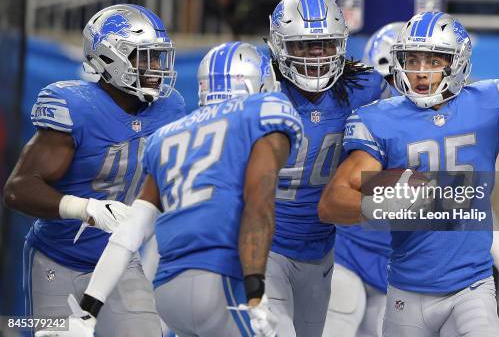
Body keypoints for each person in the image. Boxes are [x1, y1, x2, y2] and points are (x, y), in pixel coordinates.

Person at [319, 7, 499, 336]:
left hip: (470, 286)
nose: (421, 72)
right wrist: (380, 205)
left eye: (433, 60)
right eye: (412, 60)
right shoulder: (378, 119)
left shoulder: (486, 101)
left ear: (456, 62)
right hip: (406, 289)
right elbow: (332, 202)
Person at [35, 41, 304, 337]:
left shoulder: (169, 134)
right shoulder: (265, 111)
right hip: (223, 279)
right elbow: (259, 203)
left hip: (169, 290)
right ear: (260, 83)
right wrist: (255, 290)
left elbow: (129, 233)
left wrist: (88, 312)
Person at [3, 4, 184, 336]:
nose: (156, 68)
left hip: (120, 257)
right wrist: (87, 209)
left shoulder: (169, 108)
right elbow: (17, 189)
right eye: (144, 56)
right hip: (56, 260)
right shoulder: (75, 107)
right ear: (111, 58)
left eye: (158, 57)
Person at [265, 0, 392, 336]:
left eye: (325, 44)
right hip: (261, 244)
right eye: (304, 45)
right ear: (279, 45)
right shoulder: (255, 86)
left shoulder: (365, 87)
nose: (316, 56)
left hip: (320, 249)